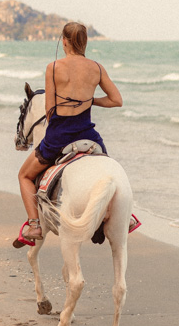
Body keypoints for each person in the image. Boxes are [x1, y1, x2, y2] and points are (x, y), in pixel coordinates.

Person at [16, 21, 123, 244]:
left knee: (24, 175)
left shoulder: (53, 68)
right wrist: (89, 101)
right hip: (88, 135)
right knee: (109, 169)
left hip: (59, 137)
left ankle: (34, 225)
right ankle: (126, 216)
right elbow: (116, 100)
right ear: (84, 42)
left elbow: (49, 109)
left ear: (64, 41)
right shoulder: (97, 68)